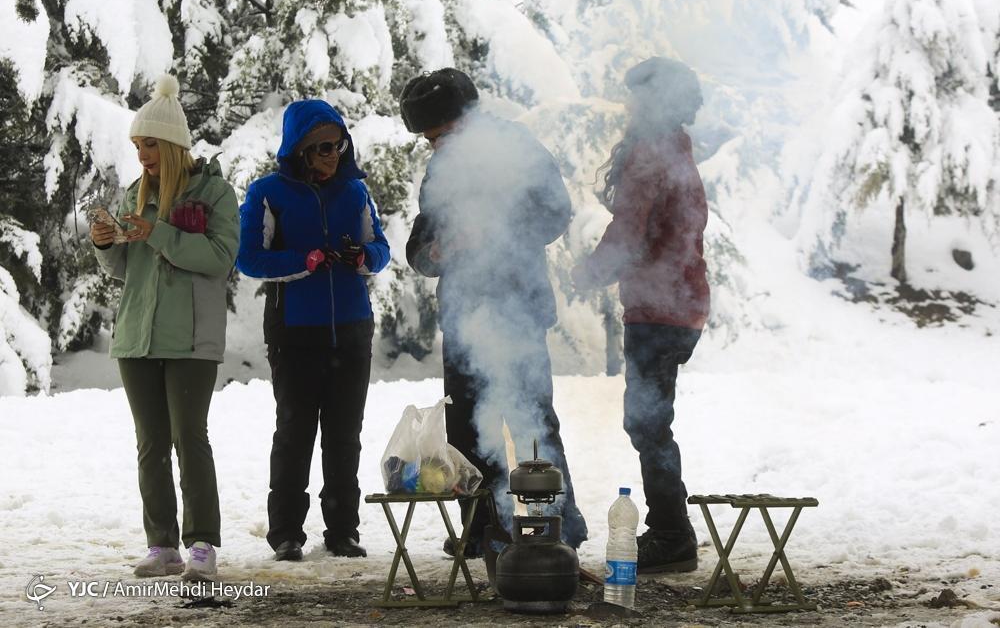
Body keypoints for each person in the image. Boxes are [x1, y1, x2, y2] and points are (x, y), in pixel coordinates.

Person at [400, 68, 588, 554]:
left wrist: (496, 230)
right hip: (464, 316)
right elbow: (422, 238)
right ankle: (481, 528)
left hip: (516, 308)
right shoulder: (442, 169)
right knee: (465, 428)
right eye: (429, 140)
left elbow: (554, 214)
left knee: (532, 421)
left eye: (439, 136)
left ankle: (558, 525)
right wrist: (433, 251)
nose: (435, 147)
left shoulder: (518, 149)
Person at [91, 74, 239, 581]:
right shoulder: (137, 193)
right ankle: (162, 545)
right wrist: (106, 242)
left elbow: (219, 258)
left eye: (150, 144)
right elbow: (124, 270)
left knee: (188, 438)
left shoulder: (216, 193)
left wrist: (159, 232)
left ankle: (202, 544)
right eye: (136, 145)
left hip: (192, 338)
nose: (142, 155)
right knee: (150, 444)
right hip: (137, 335)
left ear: (174, 144)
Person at [572, 57, 710, 573]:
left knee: (648, 423)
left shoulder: (652, 153)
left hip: (658, 309)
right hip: (682, 306)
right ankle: (672, 529)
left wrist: (585, 275)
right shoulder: (677, 148)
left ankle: (672, 535)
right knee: (651, 422)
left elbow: (628, 234)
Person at [236, 99, 390, 562]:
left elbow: (380, 248)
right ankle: (286, 533)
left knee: (345, 434)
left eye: (337, 145)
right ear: (298, 150)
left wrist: (363, 259)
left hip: (352, 328)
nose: (331, 155)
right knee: (295, 431)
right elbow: (248, 258)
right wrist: (301, 262)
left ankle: (343, 530)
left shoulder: (356, 192)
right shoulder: (268, 192)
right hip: (294, 331)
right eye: (321, 147)